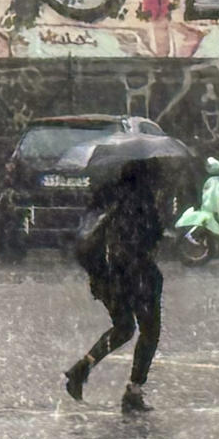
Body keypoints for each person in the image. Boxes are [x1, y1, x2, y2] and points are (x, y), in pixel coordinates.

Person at [64, 162, 165, 413]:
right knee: (149, 331)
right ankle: (134, 391)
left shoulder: (106, 196)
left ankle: (83, 368)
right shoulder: (141, 201)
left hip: (105, 277)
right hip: (135, 276)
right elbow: (147, 239)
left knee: (124, 328)